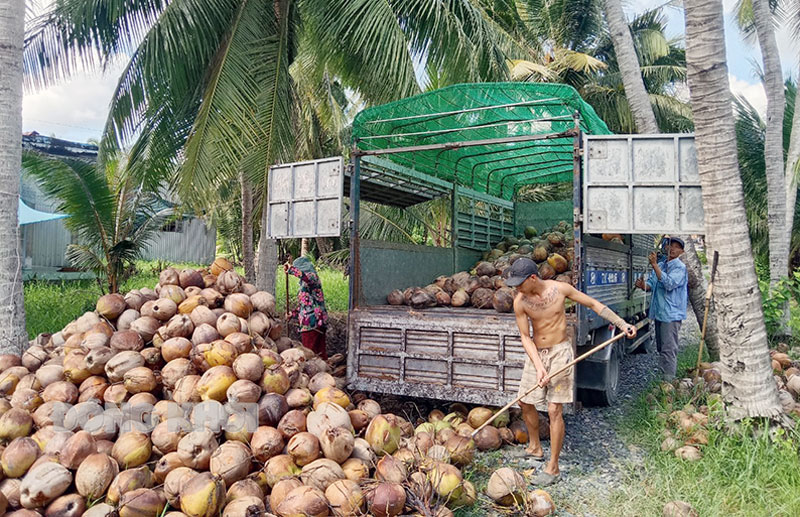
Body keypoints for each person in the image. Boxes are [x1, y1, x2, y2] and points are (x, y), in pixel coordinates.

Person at [505, 257, 637, 486]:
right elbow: (525, 337)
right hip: (538, 353)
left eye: (519, 283)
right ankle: (535, 447)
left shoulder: (560, 290)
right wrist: (538, 367)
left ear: (533, 278)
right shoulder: (520, 301)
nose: (516, 288)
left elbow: (595, 305)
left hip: (560, 353)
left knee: (554, 409)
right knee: (525, 402)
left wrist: (622, 324)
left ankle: (553, 468)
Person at [634, 237, 688, 381]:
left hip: (671, 315)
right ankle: (664, 378)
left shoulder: (680, 268)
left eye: (676, 247)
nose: (672, 249)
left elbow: (669, 283)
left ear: (681, 251)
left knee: (668, 349)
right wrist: (643, 285)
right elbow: (651, 285)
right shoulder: (662, 265)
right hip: (659, 313)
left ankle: (668, 383)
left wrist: (654, 265)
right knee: (660, 348)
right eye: (670, 246)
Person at [284, 256, 329, 359]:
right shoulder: (304, 284)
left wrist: (291, 269)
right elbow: (305, 306)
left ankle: (316, 373)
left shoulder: (313, 277)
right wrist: (293, 314)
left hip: (313, 323)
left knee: (309, 353)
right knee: (319, 354)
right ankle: (324, 371)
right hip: (313, 321)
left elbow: (306, 277)